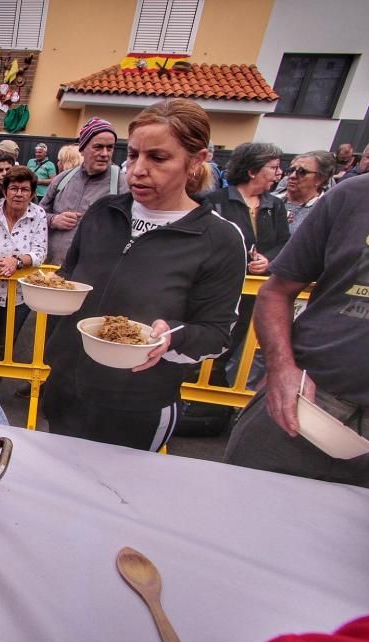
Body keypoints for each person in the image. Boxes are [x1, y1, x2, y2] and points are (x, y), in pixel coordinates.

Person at [40, 99, 247, 451]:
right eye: (133, 154)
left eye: (158, 158)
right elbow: (70, 277)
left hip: (136, 405)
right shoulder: (104, 212)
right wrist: (53, 291)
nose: (137, 170)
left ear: (196, 161)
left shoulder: (220, 239)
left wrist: (173, 338)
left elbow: (218, 334)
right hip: (66, 386)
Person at [223, 170, 369, 490]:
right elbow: (277, 291)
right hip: (308, 401)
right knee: (237, 507)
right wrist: (281, 367)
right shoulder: (355, 195)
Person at [204, 143, 289, 387]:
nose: (278, 173)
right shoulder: (215, 201)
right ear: (252, 171)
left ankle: (217, 389)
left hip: (254, 294)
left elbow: (284, 242)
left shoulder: (275, 205)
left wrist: (268, 260)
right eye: (272, 167)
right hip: (220, 289)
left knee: (238, 344)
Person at [0, 166, 47, 382]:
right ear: (5, 190)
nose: (18, 193)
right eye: (13, 188)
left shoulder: (38, 214)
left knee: (4, 347)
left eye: (25, 189)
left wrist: (16, 262)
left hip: (21, 296)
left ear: (32, 193)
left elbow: (39, 252)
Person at [38, 117, 128, 265]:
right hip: (53, 270)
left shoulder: (122, 184)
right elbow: (37, 214)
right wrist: (53, 220)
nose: (105, 153)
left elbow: (130, 228)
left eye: (110, 148)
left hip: (94, 273)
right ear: (82, 148)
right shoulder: (63, 179)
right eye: (98, 147)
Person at [275, 150, 336, 235]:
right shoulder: (267, 200)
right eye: (291, 170)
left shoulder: (326, 213)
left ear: (321, 178)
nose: (292, 176)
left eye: (302, 172)